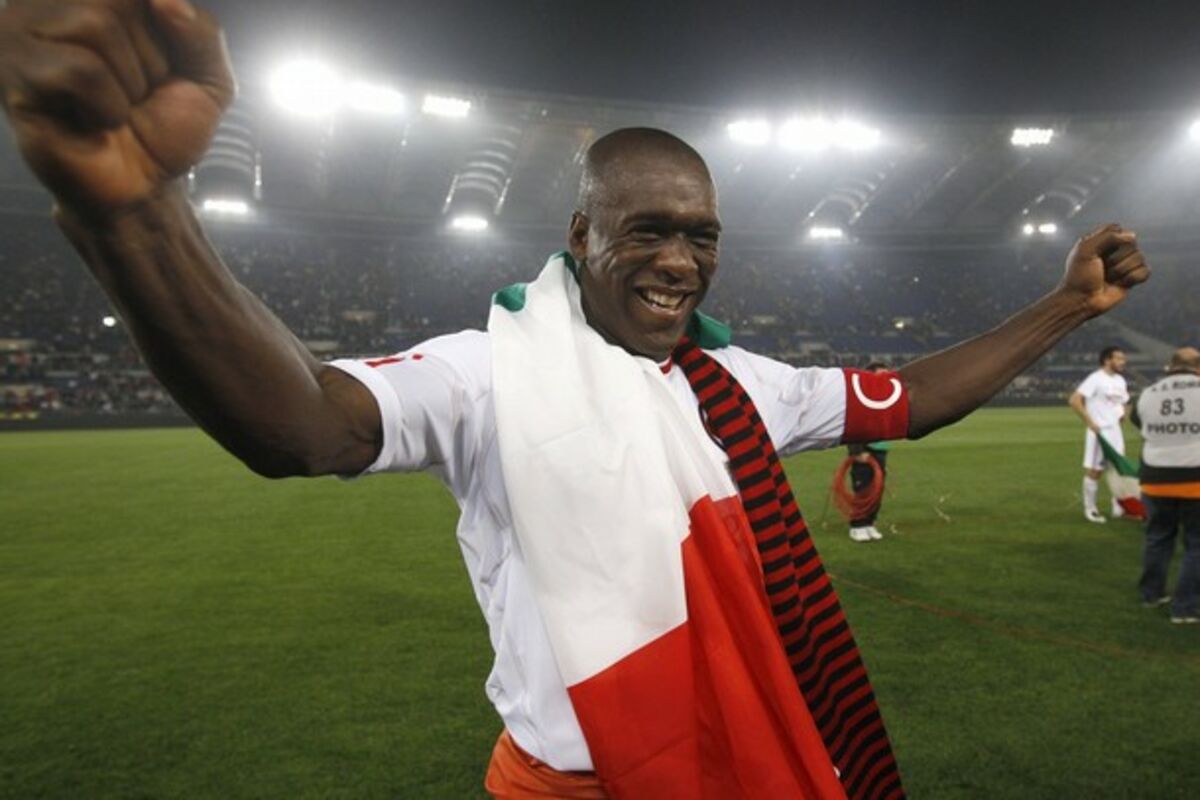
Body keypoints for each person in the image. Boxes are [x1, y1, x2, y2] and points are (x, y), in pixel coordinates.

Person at [0, 2, 1152, 797]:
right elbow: (302, 421)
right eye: (646, 230)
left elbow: (909, 397)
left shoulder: (739, 382)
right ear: (580, 235)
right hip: (564, 780)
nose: (679, 261)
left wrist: (1067, 305)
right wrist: (135, 210)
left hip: (730, 766)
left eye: (701, 236)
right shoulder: (489, 370)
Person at [1132, 347, 1200, 624]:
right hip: (1195, 476)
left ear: (1170, 366)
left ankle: (1151, 594)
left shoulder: (1148, 393)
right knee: (1196, 544)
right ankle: (1185, 607)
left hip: (1155, 477)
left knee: (1158, 538)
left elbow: (1138, 421)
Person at [1069, 346, 1131, 522]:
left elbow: (1124, 401)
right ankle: (1091, 509)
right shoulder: (1095, 378)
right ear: (1107, 360)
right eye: (1119, 358)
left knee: (1118, 469)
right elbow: (1074, 400)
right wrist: (1090, 422)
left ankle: (1118, 507)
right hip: (1100, 431)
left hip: (1115, 431)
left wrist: (1122, 414)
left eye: (1123, 359)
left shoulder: (1120, 380)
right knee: (1095, 470)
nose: (1123, 362)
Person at [848, 362, 892, 543]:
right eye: (881, 375)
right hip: (865, 452)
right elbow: (853, 426)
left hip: (880, 450)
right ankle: (857, 526)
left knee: (877, 489)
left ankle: (870, 523)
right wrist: (857, 451)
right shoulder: (861, 397)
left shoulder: (884, 398)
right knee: (863, 489)